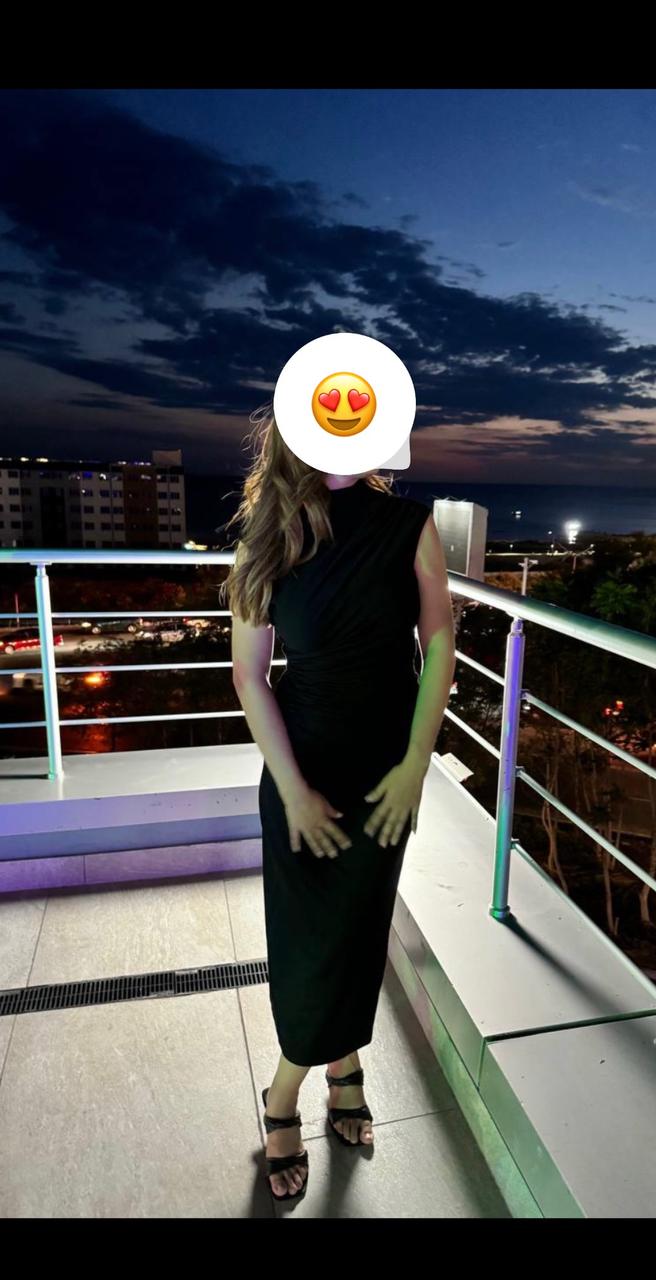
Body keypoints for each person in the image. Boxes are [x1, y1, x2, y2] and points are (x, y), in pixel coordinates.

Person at [219, 405, 456, 1201]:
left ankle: (338, 1066)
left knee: (359, 928)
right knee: (306, 941)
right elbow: (250, 676)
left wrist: (416, 765)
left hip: (385, 770)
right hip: (304, 766)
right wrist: (292, 790)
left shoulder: (410, 524)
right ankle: (289, 1088)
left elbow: (439, 643)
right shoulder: (266, 536)